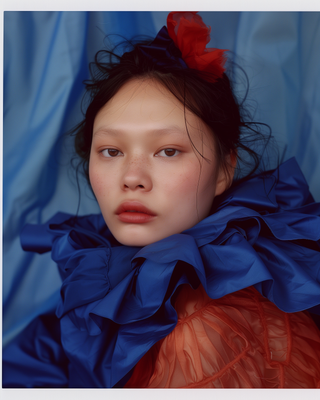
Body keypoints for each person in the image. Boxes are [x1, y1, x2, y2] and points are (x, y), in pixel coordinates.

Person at [3, 12, 320, 388]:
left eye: (168, 151)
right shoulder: (115, 270)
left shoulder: (206, 330)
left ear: (225, 170)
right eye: (111, 151)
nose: (133, 178)